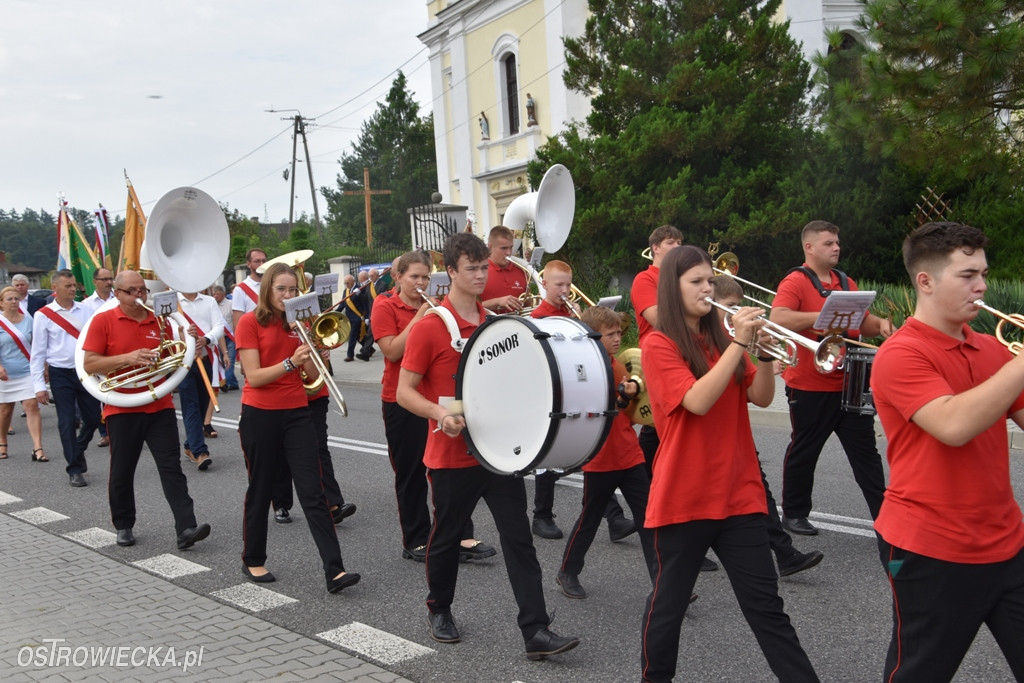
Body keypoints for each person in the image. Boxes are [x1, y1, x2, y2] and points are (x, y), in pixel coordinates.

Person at [639, 246, 817, 683]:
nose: (707, 288)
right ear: (672, 287)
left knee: (767, 609)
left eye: (708, 279)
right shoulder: (658, 344)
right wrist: (740, 343)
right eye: (695, 281)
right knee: (669, 608)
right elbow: (697, 401)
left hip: (739, 496)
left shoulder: (721, 339)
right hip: (686, 496)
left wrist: (768, 353)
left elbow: (761, 397)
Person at [397, 233, 579, 658]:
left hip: (499, 454)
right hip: (450, 456)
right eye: (472, 269)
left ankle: (536, 630)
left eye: (484, 268)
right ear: (452, 271)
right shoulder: (429, 326)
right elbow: (405, 391)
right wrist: (440, 415)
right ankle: (439, 607)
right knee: (445, 539)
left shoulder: (495, 326)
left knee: (519, 540)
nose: (481, 276)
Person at [870, 221, 1024, 681]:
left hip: (1006, 540)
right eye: (967, 275)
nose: (982, 286)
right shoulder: (900, 353)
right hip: (931, 548)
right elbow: (953, 425)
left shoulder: (993, 352)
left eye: (983, 273)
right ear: (926, 281)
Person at [234, 261, 359, 593]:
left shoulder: (301, 324)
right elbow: (255, 376)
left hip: (297, 412)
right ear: (268, 291)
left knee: (313, 491)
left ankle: (335, 570)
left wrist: (319, 356)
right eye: (282, 289)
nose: (288, 295)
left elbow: (312, 378)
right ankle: (253, 558)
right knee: (261, 487)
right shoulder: (249, 323)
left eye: (293, 290)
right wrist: (292, 362)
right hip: (260, 414)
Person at [769, 220, 893, 536]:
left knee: (866, 453)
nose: (836, 247)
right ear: (809, 247)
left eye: (837, 242)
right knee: (805, 450)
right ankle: (794, 514)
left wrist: (878, 325)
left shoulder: (846, 281)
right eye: (828, 243)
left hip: (850, 383)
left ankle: (887, 518)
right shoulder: (795, 282)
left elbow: (859, 322)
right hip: (809, 385)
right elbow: (778, 318)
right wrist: (823, 317)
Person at [373, 250, 495, 562]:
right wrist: (418, 320)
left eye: (425, 277)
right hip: (401, 399)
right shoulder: (385, 305)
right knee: (412, 470)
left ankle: (459, 535)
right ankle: (415, 538)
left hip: (442, 397)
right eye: (414, 276)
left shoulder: (438, 307)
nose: (420, 283)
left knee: (451, 469)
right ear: (398, 277)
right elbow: (391, 352)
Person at [81, 271, 211, 550]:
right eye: (132, 291)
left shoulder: (160, 320)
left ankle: (186, 527)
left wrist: (190, 345)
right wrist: (128, 358)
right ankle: (124, 525)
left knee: (171, 468)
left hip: (158, 405)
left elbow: (172, 360)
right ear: (117, 293)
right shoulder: (103, 320)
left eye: (143, 290)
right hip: (122, 406)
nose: (140, 295)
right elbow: (90, 364)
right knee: (122, 470)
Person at [712, 275, 824, 578]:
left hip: (735, 445)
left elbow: (761, 398)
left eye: (739, 305)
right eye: (730, 307)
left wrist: (763, 356)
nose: (738, 313)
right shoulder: (702, 345)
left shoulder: (735, 347)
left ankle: (785, 553)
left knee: (760, 493)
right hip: (694, 448)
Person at [630, 225, 718, 572]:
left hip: (695, 363)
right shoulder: (646, 280)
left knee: (660, 454)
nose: (678, 247)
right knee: (659, 455)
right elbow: (660, 319)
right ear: (654, 248)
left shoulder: (689, 283)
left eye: (681, 242)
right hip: (661, 367)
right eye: (671, 244)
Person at [528, 260, 632, 541]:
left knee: (590, 452)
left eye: (568, 285)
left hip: (580, 385)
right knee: (550, 457)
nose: (565, 290)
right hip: (552, 391)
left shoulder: (572, 315)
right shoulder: (538, 318)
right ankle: (542, 516)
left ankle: (615, 518)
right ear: (545, 285)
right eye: (558, 285)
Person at [556, 305, 654, 599]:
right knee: (590, 518)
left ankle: (665, 584)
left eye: (619, 333)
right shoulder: (582, 369)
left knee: (648, 518)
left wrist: (630, 394)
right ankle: (567, 571)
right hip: (600, 457)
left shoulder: (616, 364)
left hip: (629, 453)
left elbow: (627, 411)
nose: (617, 339)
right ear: (592, 336)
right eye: (610, 334)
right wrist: (623, 395)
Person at [31, 269, 100, 487]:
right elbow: (38, 353)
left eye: (74, 285)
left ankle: (76, 451)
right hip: (60, 373)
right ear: (55, 289)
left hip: (84, 371)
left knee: (93, 418)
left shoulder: (85, 309)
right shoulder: (44, 315)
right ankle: (74, 468)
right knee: (67, 420)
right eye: (68, 286)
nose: (73, 289)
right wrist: (39, 386)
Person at [176, 289, 225, 471]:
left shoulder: (209, 301)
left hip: (206, 358)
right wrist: (185, 341)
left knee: (204, 403)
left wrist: (205, 339)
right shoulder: (172, 301)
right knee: (191, 406)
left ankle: (190, 445)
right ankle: (200, 451)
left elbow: (219, 326)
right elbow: (167, 329)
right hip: (184, 361)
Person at [0, 286, 45, 461]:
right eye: (9, 299)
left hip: (28, 371)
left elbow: (38, 346)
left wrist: (44, 368)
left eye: (16, 299)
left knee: (31, 406)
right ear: (1, 303)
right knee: (5, 411)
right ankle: (2, 441)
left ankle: (38, 447)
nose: (13, 302)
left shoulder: (29, 320)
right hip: (6, 374)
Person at [81, 267, 116, 447]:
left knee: (116, 391)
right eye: (104, 279)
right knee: (99, 393)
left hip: (116, 351)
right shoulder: (86, 305)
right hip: (97, 353)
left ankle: (116, 429)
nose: (109, 282)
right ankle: (104, 432)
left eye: (110, 279)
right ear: (95, 282)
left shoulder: (118, 301)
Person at [479, 225, 527, 314]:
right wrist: (497, 302)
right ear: (490, 247)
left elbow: (528, 303)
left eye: (511, 247)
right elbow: (469, 307)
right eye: (504, 248)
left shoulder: (521, 270)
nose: (509, 253)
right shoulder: (479, 271)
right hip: (489, 325)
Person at [231, 248, 268, 354]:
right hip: (253, 342)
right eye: (257, 261)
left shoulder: (273, 285)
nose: (261, 264)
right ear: (248, 264)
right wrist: (242, 355)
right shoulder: (240, 289)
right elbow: (238, 324)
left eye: (264, 261)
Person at [211, 285, 239, 391]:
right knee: (222, 360)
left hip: (230, 337)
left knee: (230, 360)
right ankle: (233, 382)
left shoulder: (230, 304)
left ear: (223, 294)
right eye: (214, 294)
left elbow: (236, 319)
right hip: (219, 337)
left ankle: (225, 382)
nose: (215, 296)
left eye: (218, 294)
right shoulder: (213, 305)